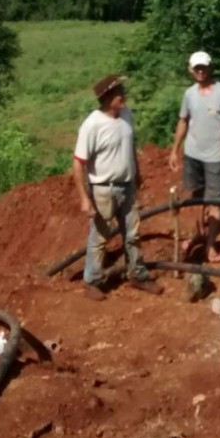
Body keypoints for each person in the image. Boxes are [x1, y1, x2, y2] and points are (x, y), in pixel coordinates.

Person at [72, 74, 162, 301]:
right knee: (100, 237)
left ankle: (138, 275)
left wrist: (137, 174)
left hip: (127, 186)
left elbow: (130, 147)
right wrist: (84, 198)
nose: (124, 95)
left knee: (133, 234)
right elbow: (78, 163)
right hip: (103, 189)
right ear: (107, 98)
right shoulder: (92, 125)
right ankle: (92, 280)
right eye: (119, 93)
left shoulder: (126, 115)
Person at [169, 50, 220, 263]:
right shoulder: (189, 94)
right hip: (192, 154)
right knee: (196, 198)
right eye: (197, 68)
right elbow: (183, 121)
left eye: (203, 67)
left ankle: (210, 245)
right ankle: (197, 235)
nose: (200, 71)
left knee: (215, 202)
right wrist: (174, 150)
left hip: (216, 157)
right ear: (191, 70)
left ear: (210, 68)